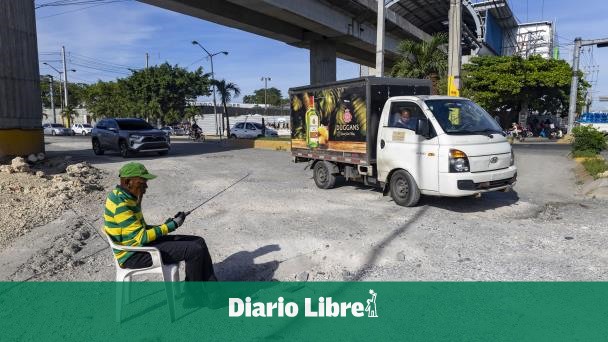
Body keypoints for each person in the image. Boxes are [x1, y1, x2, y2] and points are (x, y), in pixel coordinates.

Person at [103, 162, 217, 284]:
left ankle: (213, 291)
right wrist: (172, 226)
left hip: (137, 246)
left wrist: (166, 225)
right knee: (194, 250)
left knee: (199, 241)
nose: (146, 186)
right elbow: (142, 237)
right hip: (133, 254)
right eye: (141, 183)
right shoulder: (122, 205)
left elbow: (140, 228)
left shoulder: (124, 196)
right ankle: (192, 299)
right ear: (127, 182)